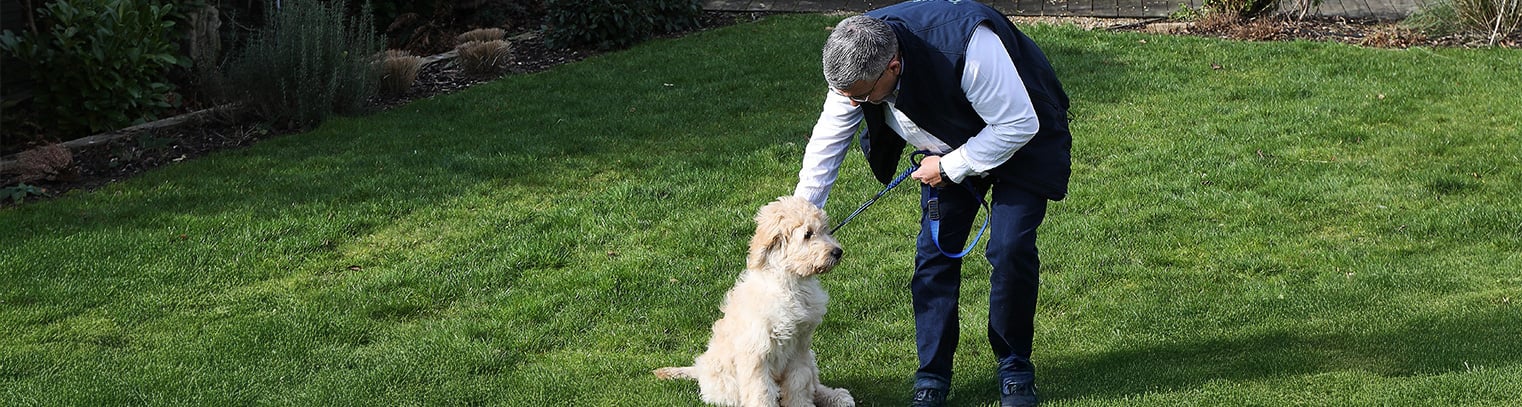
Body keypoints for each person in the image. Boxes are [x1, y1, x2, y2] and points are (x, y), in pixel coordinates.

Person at [792, 1, 1072, 406]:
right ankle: (932, 376)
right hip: (943, 146)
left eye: (863, 98)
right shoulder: (857, 64)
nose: (856, 105)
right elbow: (827, 143)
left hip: (1023, 137)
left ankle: (1015, 368)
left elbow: (1017, 124)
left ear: (891, 67)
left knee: (1010, 250)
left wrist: (953, 166)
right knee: (932, 261)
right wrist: (800, 220)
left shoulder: (968, 48)